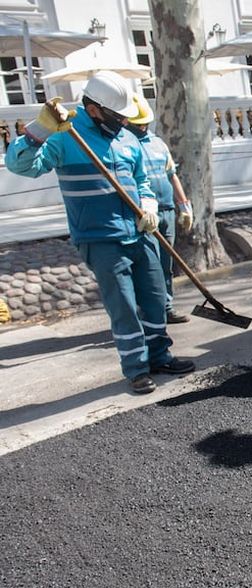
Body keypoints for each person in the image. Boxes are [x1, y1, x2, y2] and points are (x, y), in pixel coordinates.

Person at [4, 71, 195, 395]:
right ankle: (136, 369)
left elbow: (142, 181)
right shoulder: (66, 138)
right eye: (117, 115)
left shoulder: (127, 139)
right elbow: (21, 166)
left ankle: (160, 356)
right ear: (94, 110)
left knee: (153, 299)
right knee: (122, 305)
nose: (123, 121)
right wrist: (39, 130)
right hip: (100, 239)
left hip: (141, 233)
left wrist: (148, 205)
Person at [126, 94, 193, 325]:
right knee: (149, 267)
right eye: (138, 124)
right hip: (144, 215)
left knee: (166, 264)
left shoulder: (158, 143)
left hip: (166, 211)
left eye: (145, 122)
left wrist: (184, 205)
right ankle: (150, 312)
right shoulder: (124, 146)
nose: (143, 127)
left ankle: (166, 308)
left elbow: (171, 175)